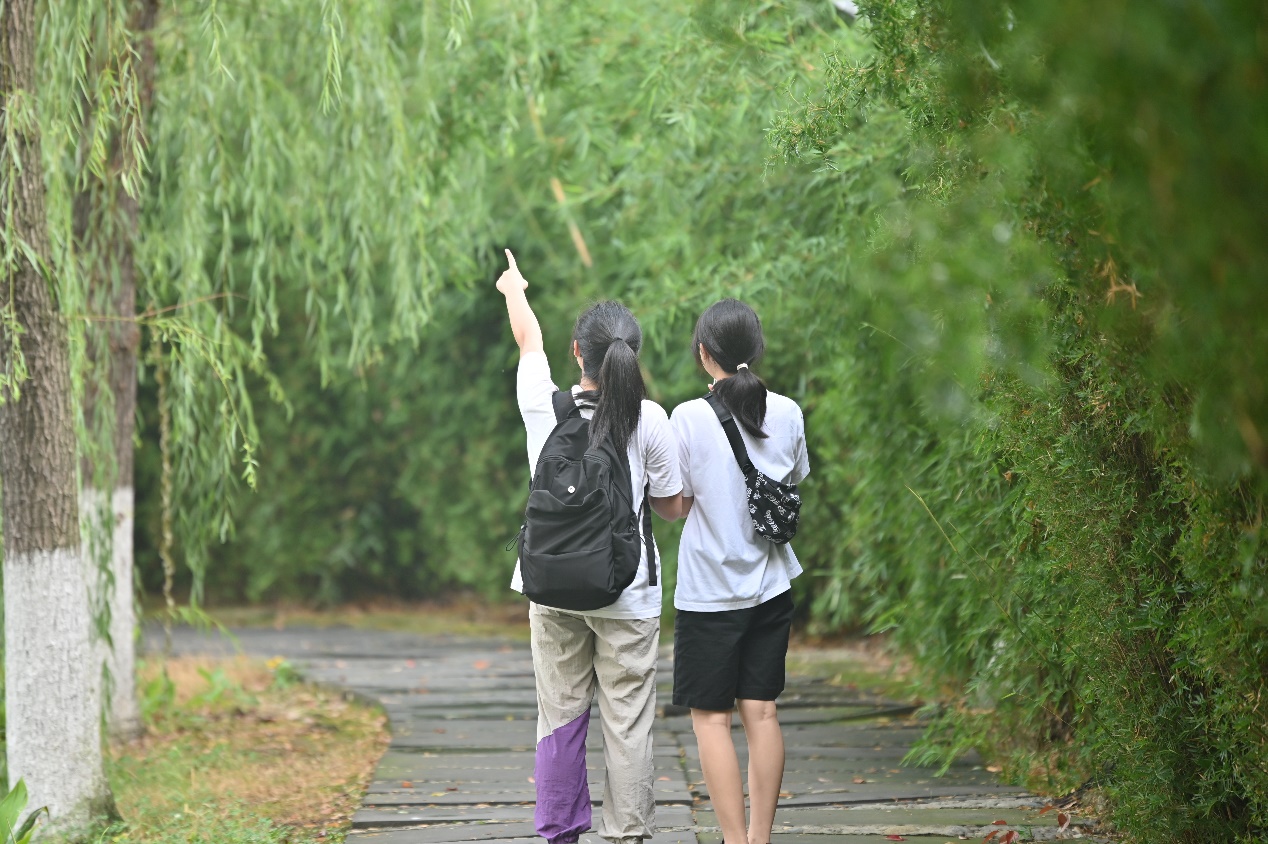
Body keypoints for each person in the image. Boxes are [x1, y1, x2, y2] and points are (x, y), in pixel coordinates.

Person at [495, 250, 683, 844]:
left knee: (560, 715)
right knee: (627, 723)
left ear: (578, 353)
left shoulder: (541, 406)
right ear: (632, 356)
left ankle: (560, 833)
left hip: (550, 588)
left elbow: (528, 337)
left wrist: (514, 288)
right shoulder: (649, 420)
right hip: (628, 593)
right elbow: (669, 505)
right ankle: (627, 835)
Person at [668, 298, 810, 844]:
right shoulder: (788, 411)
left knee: (711, 719)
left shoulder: (688, 418)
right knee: (763, 712)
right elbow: (790, 481)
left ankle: (733, 842)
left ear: (704, 353)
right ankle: (760, 838)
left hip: (708, 592)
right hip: (770, 585)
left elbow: (677, 504)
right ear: (757, 348)